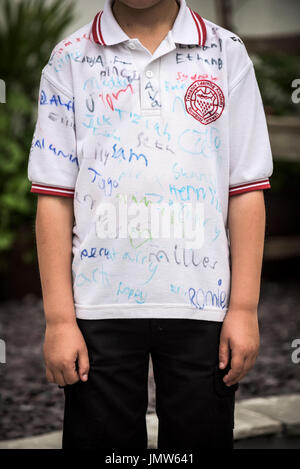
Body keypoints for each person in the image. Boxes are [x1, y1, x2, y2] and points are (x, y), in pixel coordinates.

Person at [28, 0, 273, 449]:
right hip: (98, 308)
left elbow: (246, 190)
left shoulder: (225, 53)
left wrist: (243, 310)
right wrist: (59, 320)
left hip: (204, 309)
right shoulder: (70, 59)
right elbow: (53, 198)